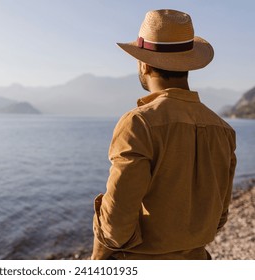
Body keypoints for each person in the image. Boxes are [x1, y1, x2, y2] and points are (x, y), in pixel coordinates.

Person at [91, 9, 236, 260]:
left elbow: (116, 225)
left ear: (143, 64)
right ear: (188, 64)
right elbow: (219, 216)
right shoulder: (223, 129)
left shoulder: (138, 123)